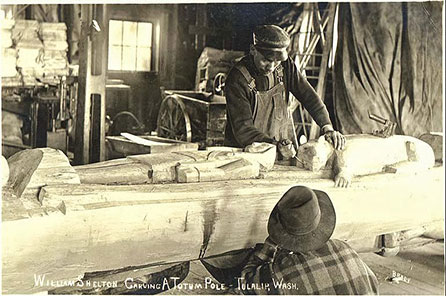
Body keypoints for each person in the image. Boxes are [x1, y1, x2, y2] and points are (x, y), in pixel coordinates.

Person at [224, 25, 346, 155]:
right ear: (253, 50)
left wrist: (327, 127)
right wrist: (275, 145)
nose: (271, 66)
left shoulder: (285, 66)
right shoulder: (238, 79)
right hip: (246, 151)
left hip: (281, 145)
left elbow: (309, 96)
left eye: (276, 61)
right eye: (266, 60)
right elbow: (244, 130)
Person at [239, 186, 379, 295]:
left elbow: (245, 283)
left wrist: (270, 246)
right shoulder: (345, 249)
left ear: (282, 233)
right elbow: (373, 284)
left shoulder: (280, 272)